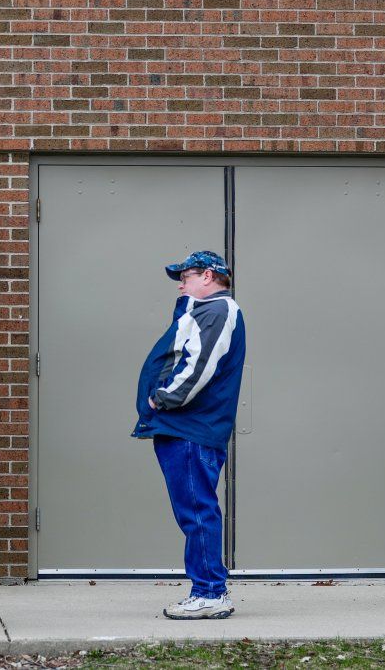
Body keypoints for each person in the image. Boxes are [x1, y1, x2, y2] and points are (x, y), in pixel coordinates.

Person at [131, 250, 246, 620]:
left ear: (210, 276)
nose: (180, 283)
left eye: (187, 275)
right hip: (182, 428)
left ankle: (210, 593)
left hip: (191, 428)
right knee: (194, 512)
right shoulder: (202, 311)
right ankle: (208, 589)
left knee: (198, 512)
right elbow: (182, 346)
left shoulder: (218, 311)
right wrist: (185, 302)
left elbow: (197, 366)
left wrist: (160, 398)